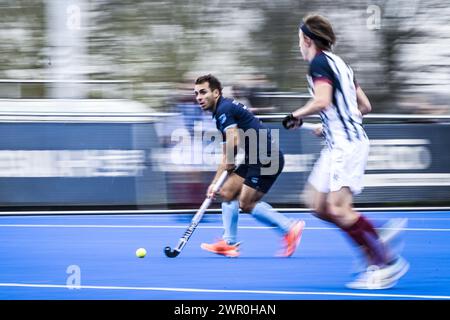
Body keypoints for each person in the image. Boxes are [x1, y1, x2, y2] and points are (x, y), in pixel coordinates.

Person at [282, 14, 409, 289]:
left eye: (299, 40)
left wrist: (297, 115)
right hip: (338, 142)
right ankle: (373, 233)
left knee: (338, 209)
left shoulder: (318, 63)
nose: (298, 46)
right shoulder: (342, 64)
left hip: (345, 146)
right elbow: (364, 106)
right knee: (317, 205)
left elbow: (322, 100)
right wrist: (327, 125)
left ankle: (386, 263)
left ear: (307, 39)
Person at [194, 74, 305, 258]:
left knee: (246, 203)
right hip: (255, 157)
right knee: (227, 192)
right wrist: (215, 183)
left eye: (203, 92)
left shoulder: (223, 109)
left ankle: (289, 228)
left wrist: (227, 166)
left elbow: (234, 141)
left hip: (265, 157)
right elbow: (227, 152)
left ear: (216, 92)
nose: (199, 97)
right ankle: (229, 243)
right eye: (196, 93)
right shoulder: (222, 111)